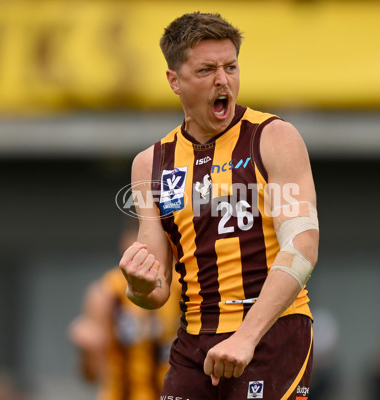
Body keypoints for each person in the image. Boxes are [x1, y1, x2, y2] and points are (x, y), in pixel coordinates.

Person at [119, 12, 319, 399]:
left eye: (230, 66)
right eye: (207, 69)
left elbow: (303, 247)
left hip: (273, 335)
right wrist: (138, 285)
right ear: (174, 81)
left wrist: (245, 337)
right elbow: (156, 289)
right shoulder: (150, 164)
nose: (223, 80)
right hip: (194, 340)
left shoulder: (274, 137)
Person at [69, 225, 181, 400]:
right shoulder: (106, 293)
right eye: (140, 246)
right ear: (125, 245)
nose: (147, 254)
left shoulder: (184, 287)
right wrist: (86, 352)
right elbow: (90, 375)